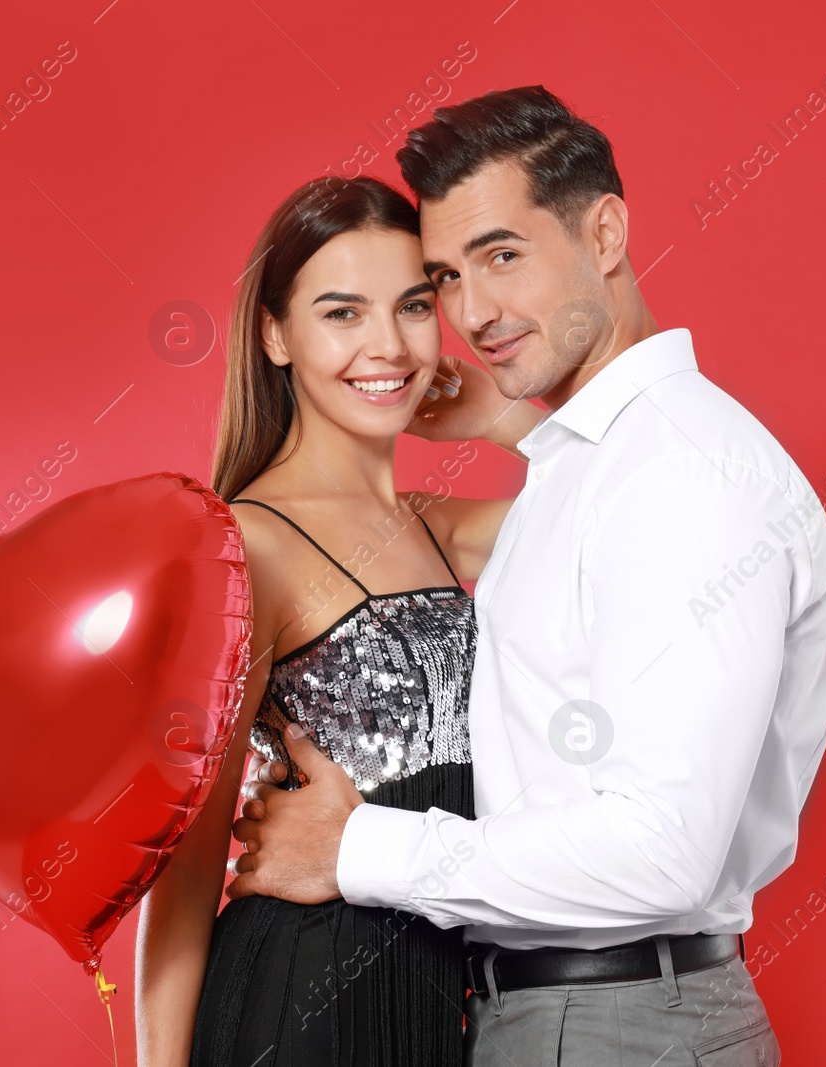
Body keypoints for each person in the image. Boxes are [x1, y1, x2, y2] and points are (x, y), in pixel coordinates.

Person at [228, 86, 826, 1065]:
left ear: (603, 232)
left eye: (502, 255)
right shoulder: (603, 465)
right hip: (540, 1012)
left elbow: (661, 848)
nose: (473, 314)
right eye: (446, 277)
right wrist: (498, 413)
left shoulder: (678, 473)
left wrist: (356, 850)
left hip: (614, 1018)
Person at [133, 174, 545, 1067]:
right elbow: (190, 858)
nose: (388, 346)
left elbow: (628, 503)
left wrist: (501, 415)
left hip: (448, 1001)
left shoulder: (440, 527)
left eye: (412, 306)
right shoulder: (246, 545)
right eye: (343, 313)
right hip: (306, 1006)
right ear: (277, 334)